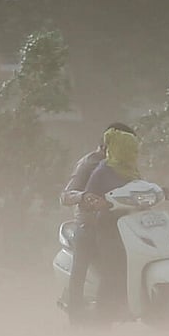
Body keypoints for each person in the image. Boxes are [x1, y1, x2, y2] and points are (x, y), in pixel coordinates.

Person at [58, 123, 131, 321]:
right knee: (83, 253)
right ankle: (76, 311)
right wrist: (84, 197)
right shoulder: (89, 164)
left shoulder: (123, 164)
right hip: (89, 222)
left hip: (118, 222)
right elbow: (65, 196)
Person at [82, 123, 142, 319]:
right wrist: (97, 203)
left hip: (131, 224)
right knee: (114, 265)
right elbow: (88, 199)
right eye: (130, 148)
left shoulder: (131, 171)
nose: (134, 152)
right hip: (108, 227)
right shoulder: (101, 171)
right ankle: (104, 314)